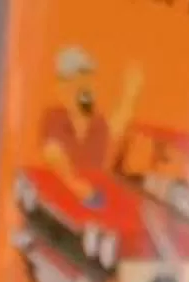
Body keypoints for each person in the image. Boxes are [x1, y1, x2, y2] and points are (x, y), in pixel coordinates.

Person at [39, 45, 142, 210]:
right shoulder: (54, 118)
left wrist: (130, 93)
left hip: (94, 208)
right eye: (77, 81)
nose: (85, 88)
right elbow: (54, 156)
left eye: (88, 80)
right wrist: (79, 187)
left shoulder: (97, 123)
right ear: (61, 87)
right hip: (59, 204)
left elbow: (115, 129)